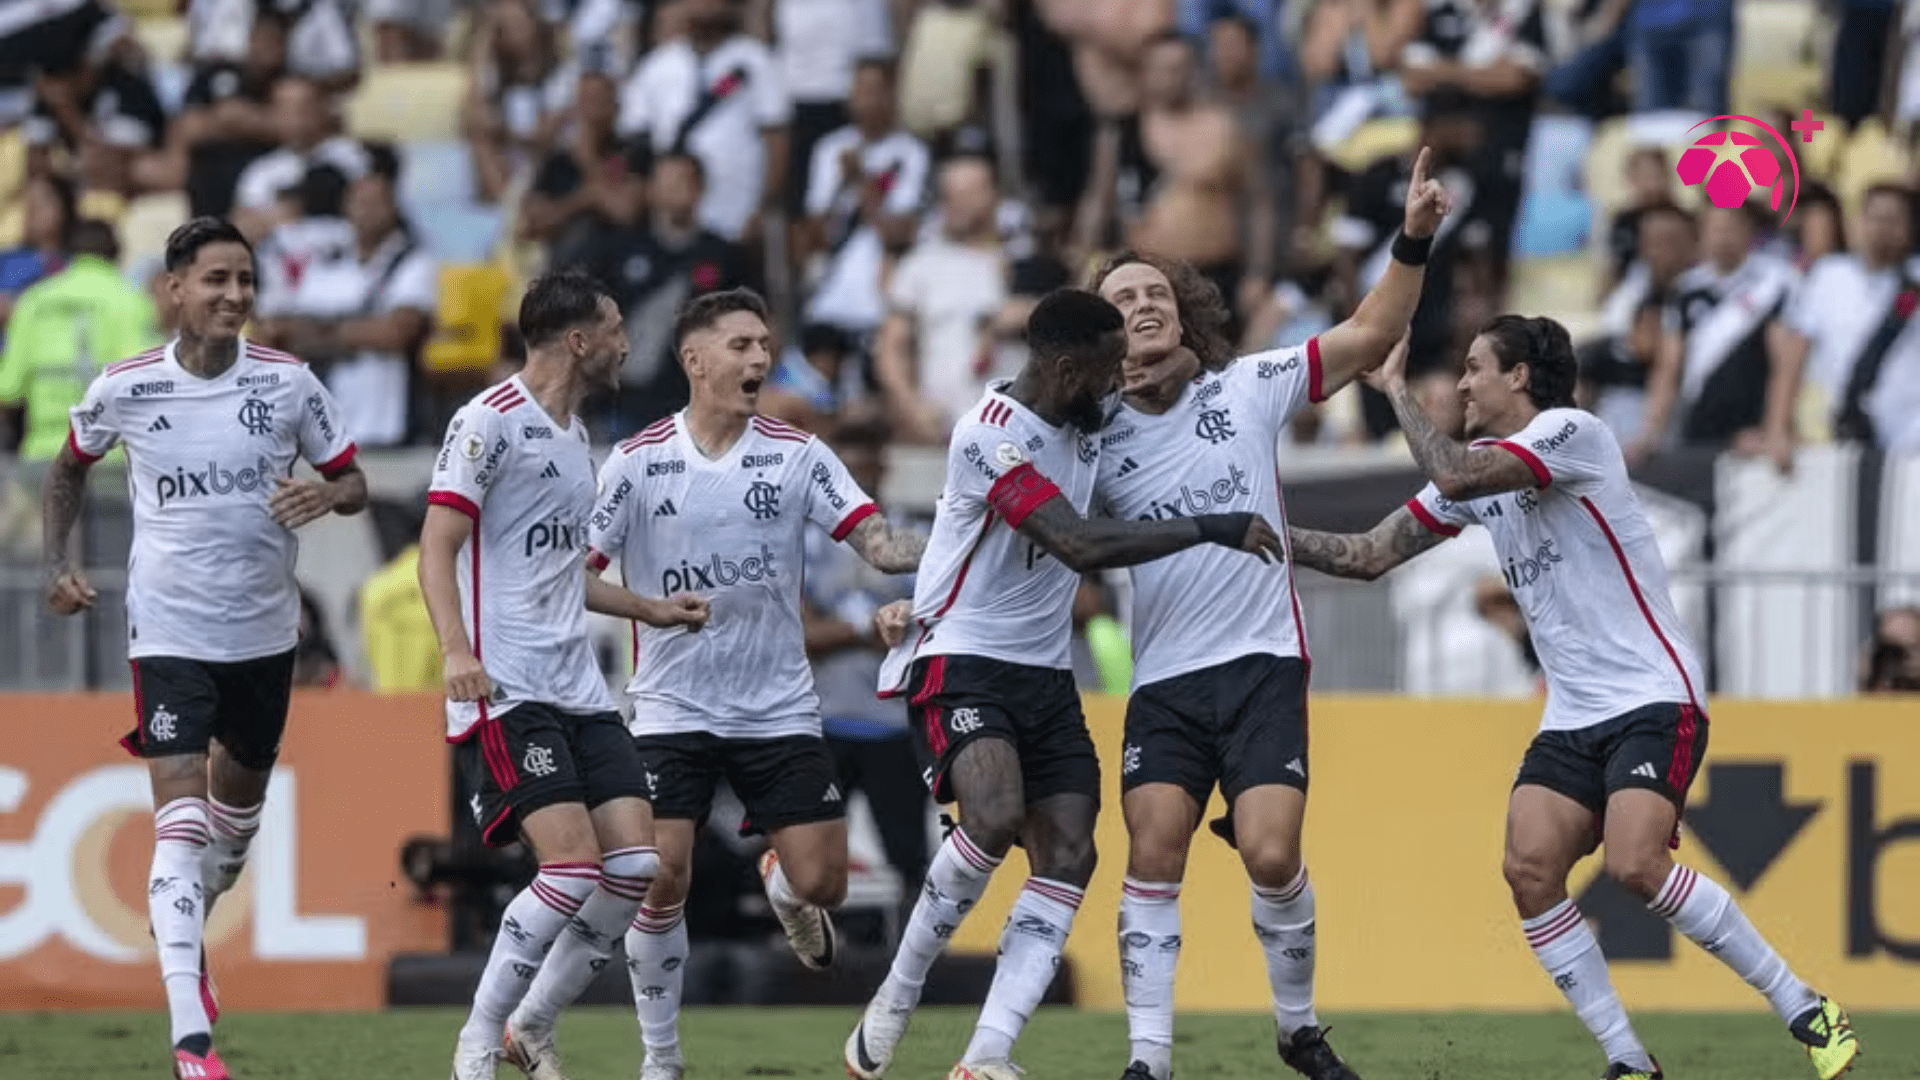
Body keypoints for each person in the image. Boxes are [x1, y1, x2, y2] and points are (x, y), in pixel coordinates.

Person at [1283, 315, 1860, 1080]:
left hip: (1654, 695)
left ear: (1519, 376)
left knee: (1634, 862)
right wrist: (1269, 534)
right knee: (1529, 868)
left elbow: (1455, 477)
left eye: (1474, 367)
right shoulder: (1482, 469)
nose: (1460, 383)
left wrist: (1393, 388)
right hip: (1573, 712)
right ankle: (1628, 1061)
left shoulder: (1572, 433)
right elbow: (1368, 556)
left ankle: (1806, 1008)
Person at [846, 288, 1284, 1080]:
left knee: (1071, 854)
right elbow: (1076, 543)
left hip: (1045, 677)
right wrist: (1210, 527)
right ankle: (899, 992)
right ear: (1064, 365)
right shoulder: (987, 437)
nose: (1120, 383)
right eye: (1107, 369)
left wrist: (1180, 356)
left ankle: (986, 1055)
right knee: (993, 814)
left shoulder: (1088, 415)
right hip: (962, 659)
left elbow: (1173, 370)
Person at [1087, 146, 1450, 1080]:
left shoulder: (1245, 387)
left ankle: (1297, 1028)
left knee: (1272, 851)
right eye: (1123, 301)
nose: (1145, 305)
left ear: (1184, 311)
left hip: (1260, 663)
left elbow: (1370, 335)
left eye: (1156, 292)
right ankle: (1149, 1059)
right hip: (1163, 678)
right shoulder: (1087, 437)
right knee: (1154, 849)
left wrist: (1411, 240)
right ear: (1099, 336)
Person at [509, 288, 925, 1080]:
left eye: (765, 344)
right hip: (672, 707)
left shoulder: (798, 453)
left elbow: (876, 542)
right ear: (694, 359)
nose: (760, 360)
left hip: (777, 708)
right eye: (741, 346)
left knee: (826, 882)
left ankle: (786, 885)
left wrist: (966, 540)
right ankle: (661, 1060)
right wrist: (650, 609)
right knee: (661, 876)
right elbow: (576, 578)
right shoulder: (636, 462)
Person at [40, 215, 367, 1080]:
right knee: (179, 822)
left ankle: (183, 919)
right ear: (175, 289)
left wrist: (328, 497)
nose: (234, 296)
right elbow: (69, 467)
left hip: (264, 634)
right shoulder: (126, 387)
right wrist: (60, 563)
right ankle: (191, 1034)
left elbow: (356, 480)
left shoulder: (292, 386)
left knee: (232, 828)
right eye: (216, 279)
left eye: (245, 281)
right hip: (170, 629)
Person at [417, 269, 709, 1080]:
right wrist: (456, 650)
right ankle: (477, 1041)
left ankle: (532, 1026)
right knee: (573, 866)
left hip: (577, 687)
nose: (626, 342)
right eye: (616, 326)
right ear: (579, 340)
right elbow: (436, 546)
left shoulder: (576, 438)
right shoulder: (488, 423)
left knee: (635, 869)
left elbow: (555, 571)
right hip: (506, 687)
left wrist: (643, 609)